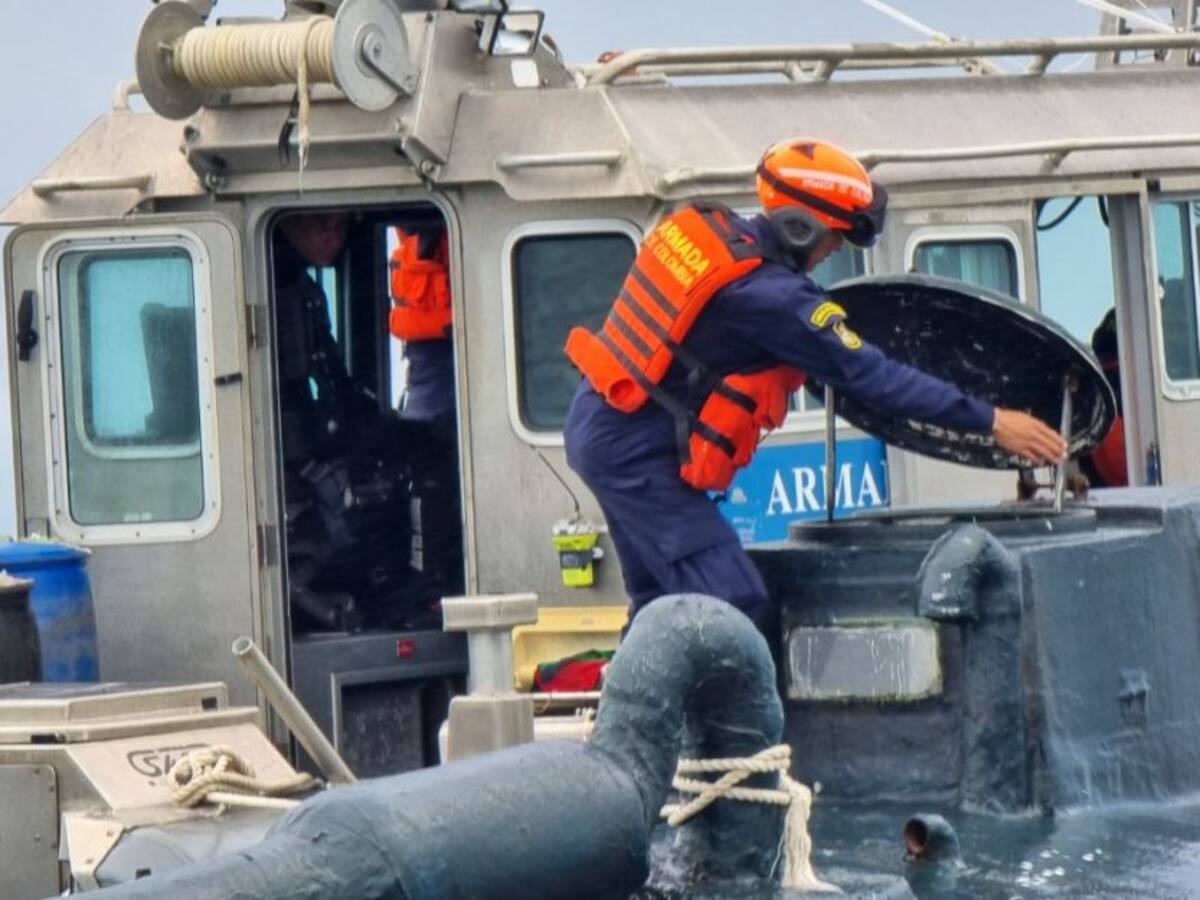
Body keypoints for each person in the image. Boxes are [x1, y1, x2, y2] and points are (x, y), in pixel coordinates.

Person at [562, 137, 1067, 631]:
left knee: (656, 599)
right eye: (835, 236)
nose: (834, 249)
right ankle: (731, 718)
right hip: (632, 454)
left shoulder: (710, 233)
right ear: (801, 227)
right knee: (734, 603)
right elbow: (873, 378)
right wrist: (991, 420)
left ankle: (632, 713)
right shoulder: (774, 300)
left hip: (598, 421)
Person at [388, 224, 464, 601]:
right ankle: (432, 587)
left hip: (450, 372)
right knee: (429, 483)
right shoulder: (420, 228)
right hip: (433, 377)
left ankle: (438, 581)